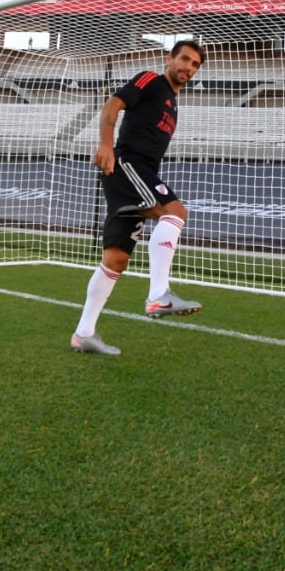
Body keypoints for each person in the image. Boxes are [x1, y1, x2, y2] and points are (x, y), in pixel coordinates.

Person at [71, 39, 207, 355]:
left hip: (138, 170)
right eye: (184, 59)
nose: (188, 67)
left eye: (195, 64)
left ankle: (83, 334)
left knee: (116, 259)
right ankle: (159, 294)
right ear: (169, 58)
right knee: (175, 213)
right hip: (128, 163)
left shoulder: (173, 102)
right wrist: (106, 145)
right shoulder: (151, 80)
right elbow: (113, 104)